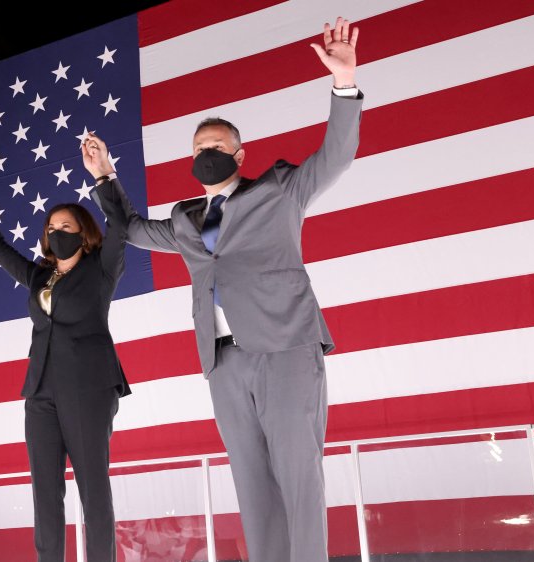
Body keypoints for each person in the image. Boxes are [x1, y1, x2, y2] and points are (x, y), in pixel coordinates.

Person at [84, 17, 363, 562]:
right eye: (198, 147)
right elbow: (135, 231)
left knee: (298, 475)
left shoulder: (279, 191)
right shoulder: (185, 220)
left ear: (238, 156)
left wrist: (344, 85)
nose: (205, 151)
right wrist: (105, 179)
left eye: (217, 144)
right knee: (252, 484)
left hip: (283, 347)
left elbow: (336, 157)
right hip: (222, 362)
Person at [0, 164, 130, 561]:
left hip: (88, 388)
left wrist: (104, 178)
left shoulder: (102, 269)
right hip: (40, 393)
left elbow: (120, 222)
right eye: (51, 228)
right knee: (45, 493)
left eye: (66, 227)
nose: (56, 233)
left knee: (92, 488)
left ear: (85, 233)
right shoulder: (39, 278)